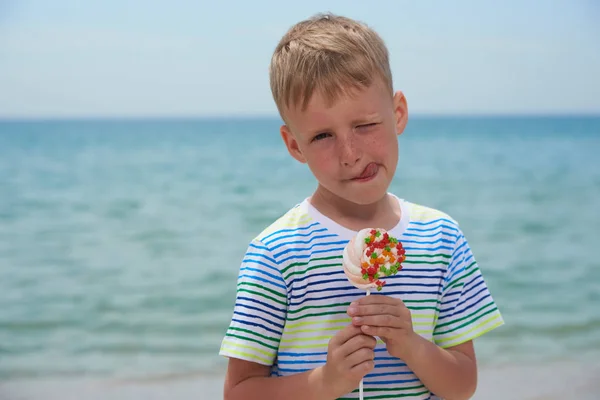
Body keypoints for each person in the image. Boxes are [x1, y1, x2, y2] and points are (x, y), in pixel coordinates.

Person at [219, 12, 503, 400]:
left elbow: (463, 384)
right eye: (322, 135)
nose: (350, 153)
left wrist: (411, 345)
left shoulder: (442, 239)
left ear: (398, 112)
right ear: (294, 145)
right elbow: (239, 393)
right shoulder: (275, 253)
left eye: (365, 125)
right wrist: (326, 381)